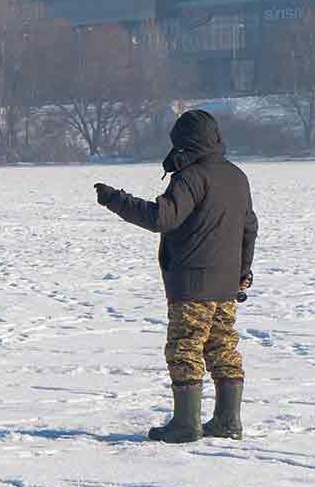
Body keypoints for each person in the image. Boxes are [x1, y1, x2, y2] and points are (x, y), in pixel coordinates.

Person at [93, 109, 257, 444]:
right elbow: (249, 228)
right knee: (223, 346)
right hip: (226, 285)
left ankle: (186, 424)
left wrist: (115, 199)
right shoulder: (236, 176)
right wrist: (242, 271)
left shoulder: (191, 177)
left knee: (185, 348)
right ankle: (228, 421)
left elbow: (162, 218)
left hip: (192, 285)